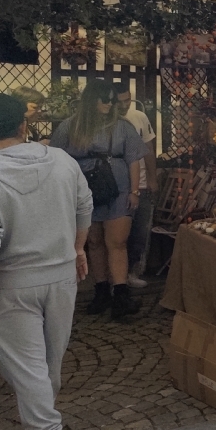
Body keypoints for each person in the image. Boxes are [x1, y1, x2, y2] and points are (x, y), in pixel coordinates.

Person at [0, 94, 92, 430]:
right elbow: (85, 206)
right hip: (62, 274)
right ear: (23, 125)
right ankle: (43, 427)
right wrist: (78, 249)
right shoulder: (62, 161)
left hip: (12, 283)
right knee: (49, 360)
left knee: (28, 364)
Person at [50, 80, 148, 320]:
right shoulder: (69, 127)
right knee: (93, 243)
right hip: (85, 191)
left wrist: (135, 192)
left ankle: (121, 296)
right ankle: (102, 291)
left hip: (119, 190)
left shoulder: (123, 127)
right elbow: (56, 158)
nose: (109, 103)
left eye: (112, 99)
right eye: (104, 98)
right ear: (91, 100)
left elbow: (134, 159)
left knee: (117, 242)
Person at [116, 86, 157, 289]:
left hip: (141, 183)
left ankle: (133, 271)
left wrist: (152, 178)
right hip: (118, 186)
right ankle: (116, 276)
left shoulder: (139, 117)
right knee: (119, 235)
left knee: (140, 231)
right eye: (120, 101)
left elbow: (149, 149)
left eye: (128, 100)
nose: (124, 105)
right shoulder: (109, 121)